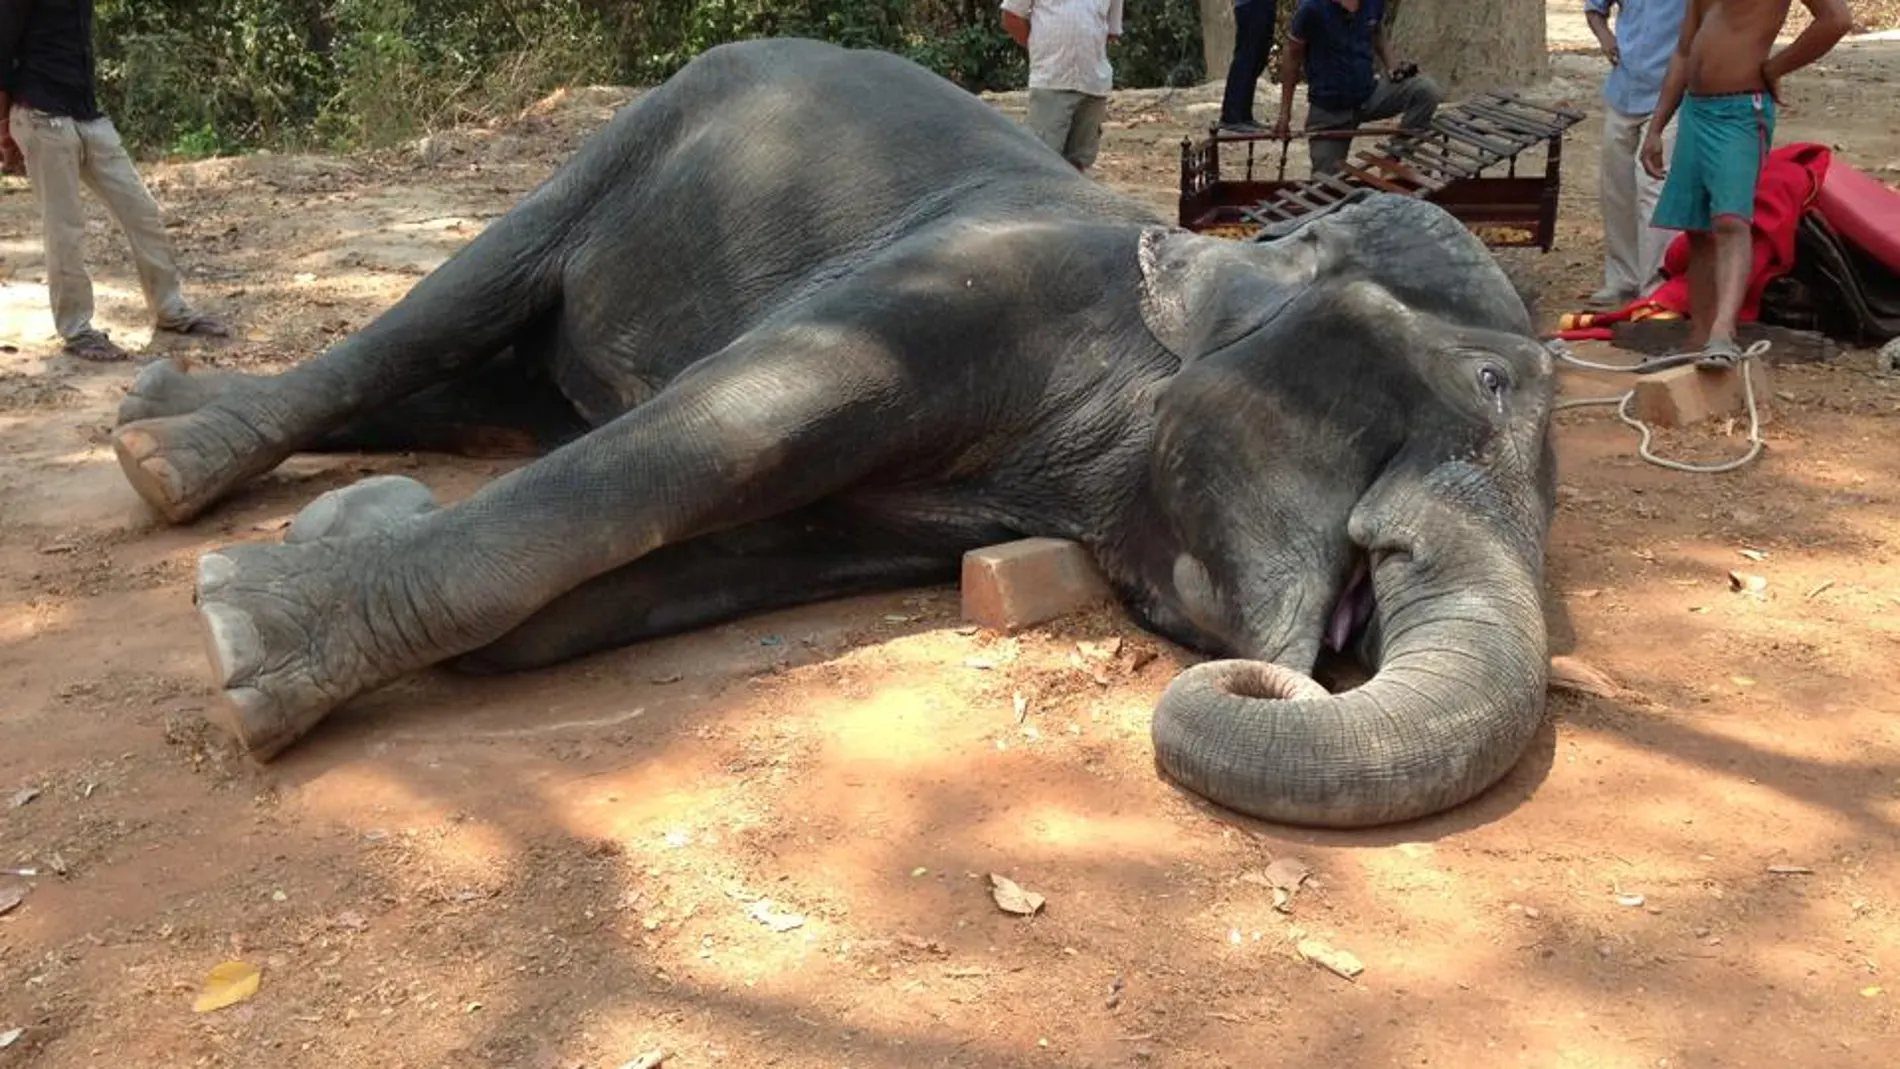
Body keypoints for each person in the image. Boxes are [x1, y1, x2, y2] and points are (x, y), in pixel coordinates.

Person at [0, 0, 231, 363]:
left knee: (142, 212)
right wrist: (5, 130)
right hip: (41, 114)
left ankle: (170, 309)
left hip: (85, 114)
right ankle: (77, 330)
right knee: (65, 229)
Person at [1640, 0, 1853, 367]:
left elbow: (1836, 19)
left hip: (1741, 109)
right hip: (1695, 109)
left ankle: (1724, 334)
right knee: (1697, 228)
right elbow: (1683, 51)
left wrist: (1775, 68)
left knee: (1730, 220)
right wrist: (1656, 127)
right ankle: (1699, 337)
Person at [1584, 0, 1688, 310]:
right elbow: (1594, 9)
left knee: (1653, 188)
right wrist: (1606, 39)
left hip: (1671, 95)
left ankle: (1656, 285)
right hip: (1623, 88)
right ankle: (1622, 278)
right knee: (1616, 189)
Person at [1272, 0, 1442, 177]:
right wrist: (1285, 114)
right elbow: (1292, 55)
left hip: (1368, 93)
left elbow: (1377, 30)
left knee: (1426, 90)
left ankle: (1394, 159)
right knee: (1325, 184)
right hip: (1329, 110)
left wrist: (1392, 66)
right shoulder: (1311, 8)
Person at [1000, 0, 1124, 173]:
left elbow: (1111, 30)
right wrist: (1039, 48)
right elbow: (1012, 17)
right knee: (1042, 160)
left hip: (1092, 83)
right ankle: (1042, 200)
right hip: (1052, 79)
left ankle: (1071, 199)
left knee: (1078, 162)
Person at [1219, 0, 1283, 133]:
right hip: (1250, 4)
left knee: (1258, 57)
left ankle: (1244, 114)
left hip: (1265, 4)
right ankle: (1231, 116)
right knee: (1247, 56)